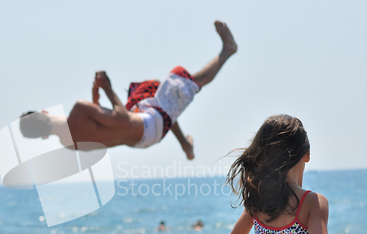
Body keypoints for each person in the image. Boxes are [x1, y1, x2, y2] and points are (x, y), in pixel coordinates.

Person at [19, 21, 237, 160]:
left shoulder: (68, 144)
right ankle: (228, 50)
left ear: (44, 137)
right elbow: (121, 121)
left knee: (152, 88)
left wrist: (97, 96)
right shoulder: (79, 108)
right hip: (151, 122)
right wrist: (107, 88)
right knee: (188, 82)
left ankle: (186, 146)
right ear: (44, 112)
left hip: (143, 140)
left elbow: (104, 127)